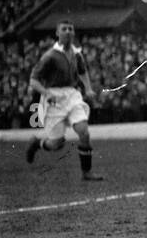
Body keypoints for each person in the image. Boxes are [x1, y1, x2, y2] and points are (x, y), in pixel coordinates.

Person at [25, 19, 104, 180]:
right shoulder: (50, 56)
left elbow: (82, 71)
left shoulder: (76, 53)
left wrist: (88, 88)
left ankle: (86, 172)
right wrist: (46, 93)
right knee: (56, 144)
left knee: (84, 132)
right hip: (54, 98)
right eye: (64, 29)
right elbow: (33, 80)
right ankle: (36, 143)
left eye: (70, 29)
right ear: (57, 33)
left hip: (72, 94)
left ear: (74, 33)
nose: (68, 31)